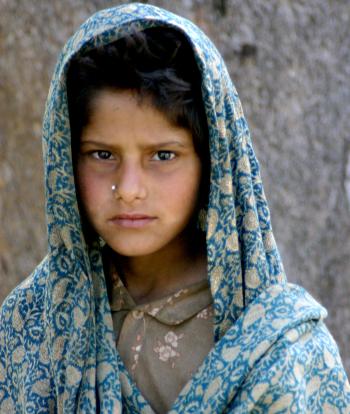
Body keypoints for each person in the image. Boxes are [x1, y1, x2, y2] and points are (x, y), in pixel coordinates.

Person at [0, 3, 349, 413]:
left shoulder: (280, 351)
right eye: (101, 154)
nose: (129, 189)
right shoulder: (34, 324)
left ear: (212, 163)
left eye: (163, 156)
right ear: (65, 160)